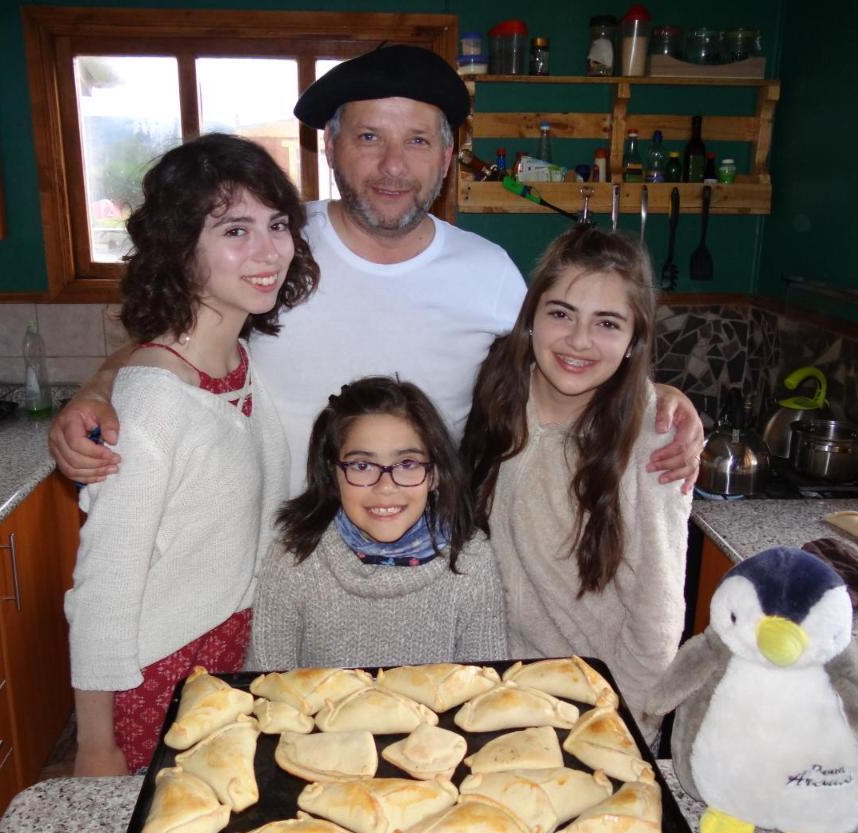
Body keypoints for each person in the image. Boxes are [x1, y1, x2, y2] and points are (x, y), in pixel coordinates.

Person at [48, 44, 704, 496]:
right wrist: (97, 393)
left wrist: (661, 400)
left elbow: (571, 373)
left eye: (417, 141)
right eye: (369, 138)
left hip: (427, 554)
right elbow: (165, 348)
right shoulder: (269, 250)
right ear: (330, 147)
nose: (393, 166)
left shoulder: (490, 273)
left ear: (447, 159)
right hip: (273, 554)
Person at [64, 134, 317, 776]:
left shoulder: (236, 359)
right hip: (161, 676)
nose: (268, 252)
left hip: (235, 655)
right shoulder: (154, 399)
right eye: (236, 230)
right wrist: (96, 746)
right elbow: (104, 588)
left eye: (277, 224)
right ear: (181, 251)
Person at [461, 225, 692, 744]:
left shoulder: (654, 437)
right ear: (531, 319)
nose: (579, 340)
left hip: (602, 706)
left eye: (607, 323)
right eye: (561, 313)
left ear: (635, 340)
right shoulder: (498, 396)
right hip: (501, 693)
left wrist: (623, 725)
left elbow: (657, 619)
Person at [248, 377, 505, 670]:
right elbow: (268, 690)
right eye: (362, 466)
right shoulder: (294, 558)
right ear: (333, 473)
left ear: (435, 474)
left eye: (407, 464)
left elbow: (485, 692)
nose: (385, 486)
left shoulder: (471, 560)